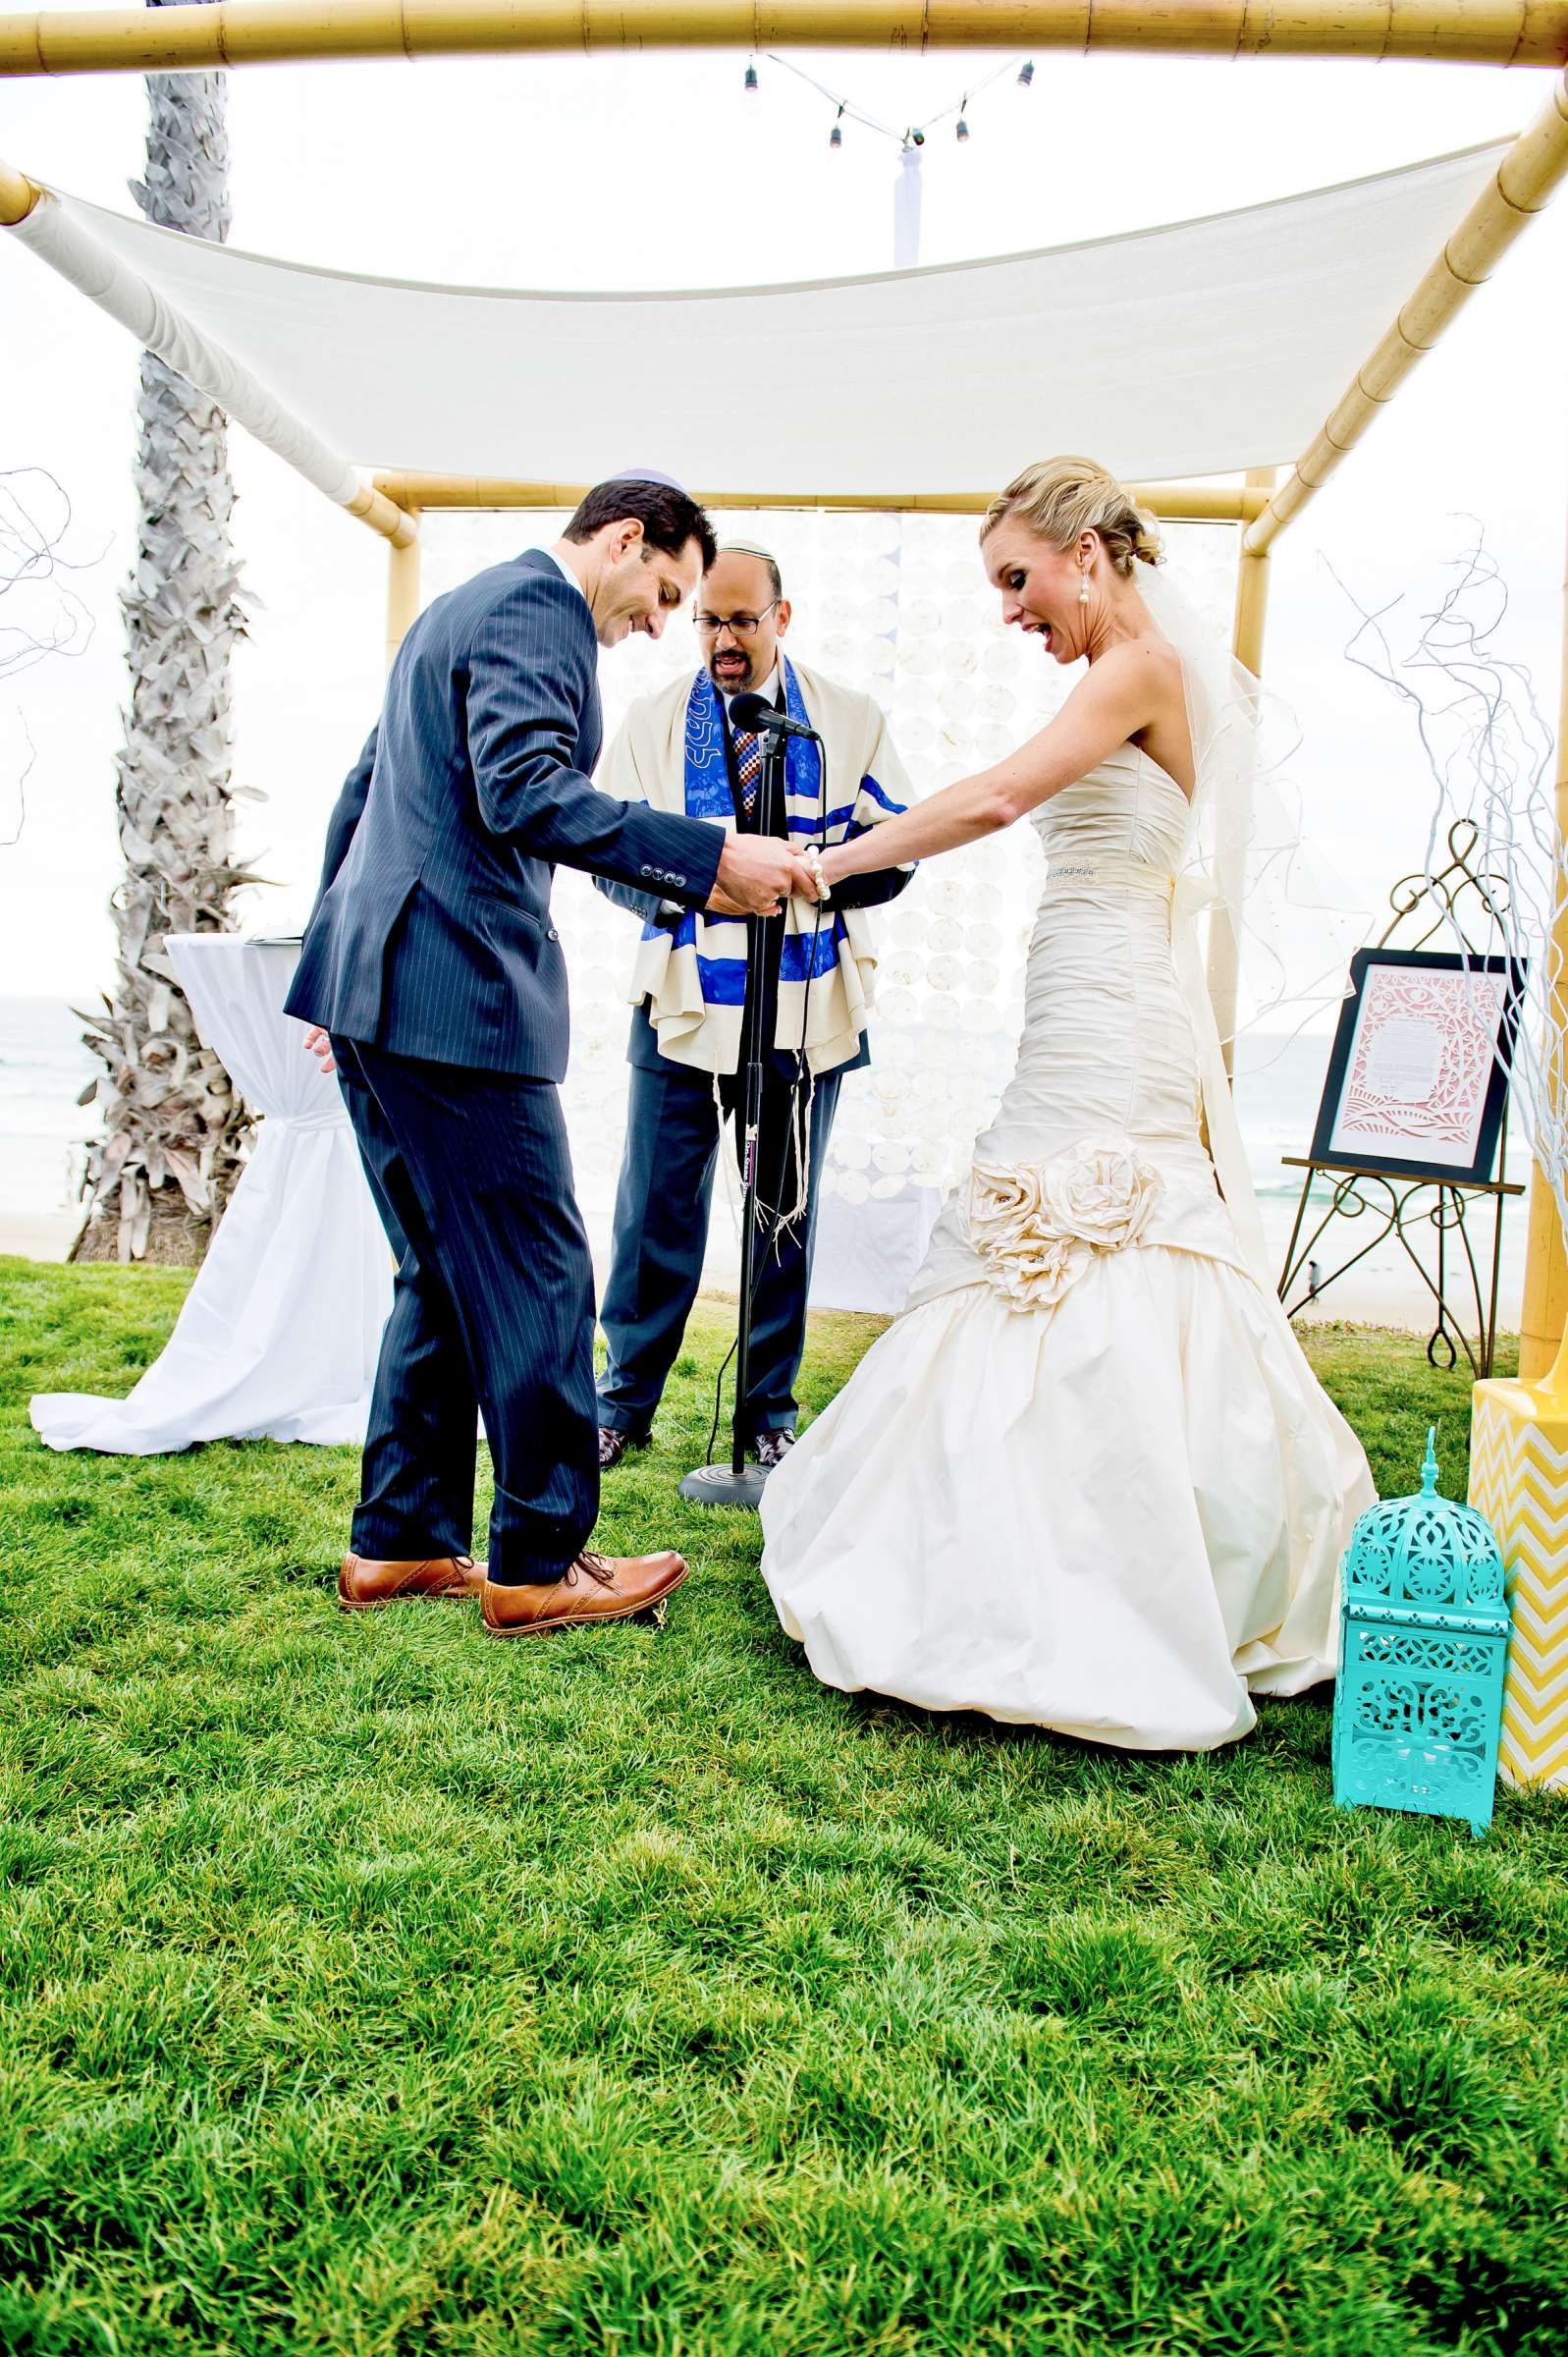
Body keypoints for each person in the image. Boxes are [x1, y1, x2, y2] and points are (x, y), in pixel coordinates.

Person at [760, 458, 1376, 1752]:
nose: (1009, 611)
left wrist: (824, 863)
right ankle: (1042, 1552)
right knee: (1043, 1255)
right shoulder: (1132, 672)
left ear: (1084, 550)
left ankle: (1101, 1578)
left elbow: (995, 797)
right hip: (1090, 991)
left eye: (1016, 580)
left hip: (1110, 1007)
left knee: (1095, 1247)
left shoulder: (1137, 669)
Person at [287, 476, 814, 1637]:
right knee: (539, 1269)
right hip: (455, 994)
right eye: (665, 590)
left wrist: (338, 960)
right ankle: (540, 1560)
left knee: (438, 1268)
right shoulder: (539, 613)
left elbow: (367, 789)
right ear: (625, 540)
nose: (663, 622)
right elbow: (524, 790)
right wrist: (707, 854)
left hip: (378, 986)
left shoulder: (456, 607)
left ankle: (401, 1540)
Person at [592, 543, 915, 1471]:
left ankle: (767, 1413)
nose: (722, 640)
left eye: (740, 619)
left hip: (806, 1002)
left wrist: (814, 882)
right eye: (707, 621)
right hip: (685, 998)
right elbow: (602, 851)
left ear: (782, 616)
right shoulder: (655, 721)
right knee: (654, 1208)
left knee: (783, 1208)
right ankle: (622, 1402)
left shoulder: (847, 720)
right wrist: (681, 891)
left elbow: (895, 848)